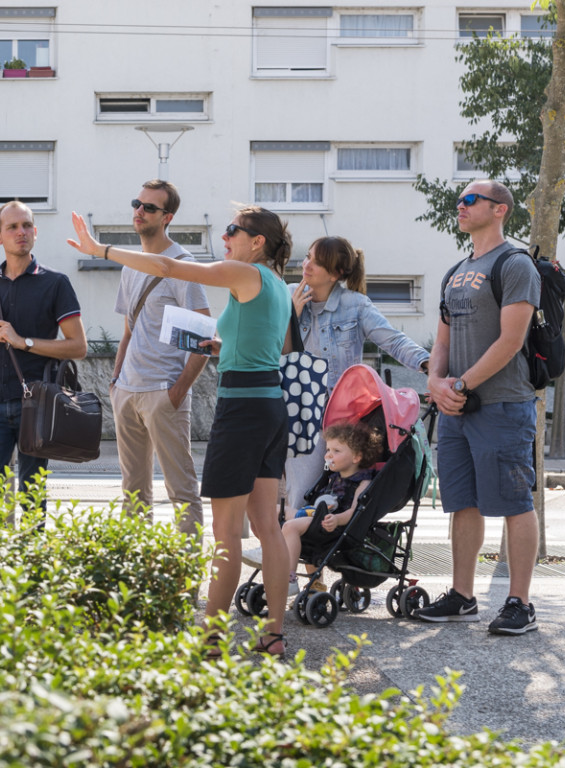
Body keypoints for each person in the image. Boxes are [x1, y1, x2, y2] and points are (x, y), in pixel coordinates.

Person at [70, 204, 293, 657]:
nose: (226, 237)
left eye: (234, 230)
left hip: (242, 410)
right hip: (270, 406)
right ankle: (272, 634)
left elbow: (171, 265)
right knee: (267, 526)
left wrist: (103, 249)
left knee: (226, 533)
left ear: (258, 242)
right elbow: (269, 344)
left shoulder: (243, 274)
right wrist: (220, 344)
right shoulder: (278, 287)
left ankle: (211, 638)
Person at [417, 179, 541, 635]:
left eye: (471, 200)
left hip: (503, 405)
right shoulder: (455, 271)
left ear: (500, 209)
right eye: (459, 201)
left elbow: (512, 340)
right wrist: (435, 382)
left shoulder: (514, 263)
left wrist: (462, 385)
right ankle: (463, 596)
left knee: (514, 501)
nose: (461, 207)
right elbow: (442, 339)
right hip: (456, 407)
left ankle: (520, 603)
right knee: (462, 503)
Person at [284, 236, 429, 513]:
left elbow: (393, 341)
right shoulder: (289, 294)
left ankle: (317, 555)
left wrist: (428, 364)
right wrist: (292, 313)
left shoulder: (355, 305)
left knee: (337, 498)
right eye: (308, 257)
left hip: (343, 418)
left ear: (336, 273)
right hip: (299, 411)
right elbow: (274, 350)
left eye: (317, 261)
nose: (307, 264)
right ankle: (293, 551)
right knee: (299, 494)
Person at [0, 201, 87, 508]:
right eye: (12, 227)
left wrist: (24, 342)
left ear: (36, 232)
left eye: (27, 225)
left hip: (37, 405)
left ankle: (31, 556)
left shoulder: (56, 283)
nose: (21, 232)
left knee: (32, 498)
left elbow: (78, 346)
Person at [110, 180, 210, 539]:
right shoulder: (130, 265)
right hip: (127, 391)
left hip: (163, 393)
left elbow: (204, 334)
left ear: (167, 217)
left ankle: (184, 582)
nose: (139, 211)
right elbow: (128, 329)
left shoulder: (182, 264)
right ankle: (139, 577)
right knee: (133, 494)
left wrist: (179, 389)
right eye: (137, 203)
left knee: (181, 492)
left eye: (149, 207)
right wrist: (116, 380)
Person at [281, 422, 383, 592]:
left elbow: (353, 512)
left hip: (330, 524)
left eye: (336, 451)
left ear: (356, 457)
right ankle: (270, 557)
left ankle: (289, 578)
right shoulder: (334, 476)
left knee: (290, 527)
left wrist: (336, 519)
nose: (328, 455)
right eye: (328, 450)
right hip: (314, 515)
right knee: (277, 511)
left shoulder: (363, 482)